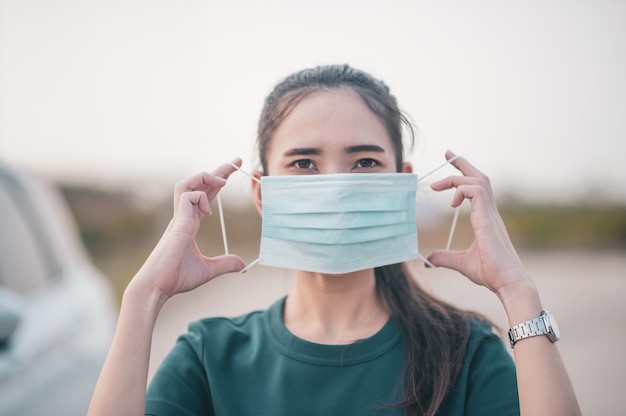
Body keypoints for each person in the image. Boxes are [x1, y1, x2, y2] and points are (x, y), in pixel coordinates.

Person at [88, 64, 581, 416]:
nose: (339, 187)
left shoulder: (467, 353)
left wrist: (518, 292)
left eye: (365, 162)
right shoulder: (208, 356)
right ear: (262, 192)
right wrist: (143, 297)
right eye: (303, 163)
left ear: (402, 182)